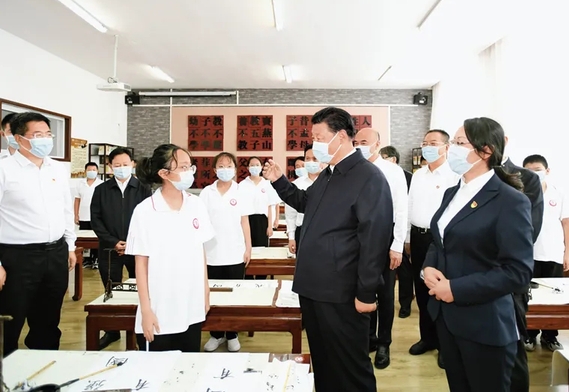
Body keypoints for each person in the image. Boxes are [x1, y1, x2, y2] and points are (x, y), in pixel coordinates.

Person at [262, 107, 393, 392]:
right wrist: (279, 181)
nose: (315, 143)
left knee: (350, 365)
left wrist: (366, 293)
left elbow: (375, 240)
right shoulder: (330, 173)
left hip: (341, 292)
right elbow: (305, 202)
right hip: (314, 287)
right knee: (324, 360)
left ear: (341, 136)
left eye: (319, 137)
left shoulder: (368, 177)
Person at [423, 117, 534, 392]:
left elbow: (517, 271)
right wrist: (428, 267)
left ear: (485, 151)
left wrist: (455, 289)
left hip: (485, 323)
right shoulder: (452, 192)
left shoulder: (509, 200)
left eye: (460, 143)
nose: (452, 149)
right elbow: (440, 240)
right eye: (453, 142)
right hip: (448, 319)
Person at [0, 112, 77, 357]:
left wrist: (70, 245)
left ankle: (45, 366)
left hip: (55, 253)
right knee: (10, 320)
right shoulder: (4, 169)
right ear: (19, 138)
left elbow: (66, 209)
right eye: (37, 135)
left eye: (47, 134)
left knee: (48, 320)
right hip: (17, 257)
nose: (44, 139)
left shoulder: (57, 168)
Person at [125, 144, 214, 352]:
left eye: (190, 166)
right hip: (160, 307)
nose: (189, 172)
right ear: (164, 173)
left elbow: (200, 251)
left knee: (187, 364)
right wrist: (146, 310)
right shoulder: (145, 211)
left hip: (191, 303)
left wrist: (205, 290)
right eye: (183, 167)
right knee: (157, 368)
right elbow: (141, 264)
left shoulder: (196, 205)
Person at [354, 129, 408, 370]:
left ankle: (384, 342)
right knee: (364, 287)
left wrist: (397, 245)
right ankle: (369, 338)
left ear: (377, 144)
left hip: (386, 237)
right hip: (359, 239)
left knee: (385, 294)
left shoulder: (393, 171)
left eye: (364, 142)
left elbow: (401, 209)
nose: (360, 146)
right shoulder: (353, 169)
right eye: (356, 142)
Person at [406, 130, 459, 368]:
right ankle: (427, 338)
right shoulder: (418, 175)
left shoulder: (454, 175)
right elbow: (410, 206)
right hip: (418, 237)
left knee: (440, 291)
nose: (427, 147)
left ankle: (445, 345)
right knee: (421, 289)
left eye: (433, 143)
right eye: (425, 143)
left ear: (446, 147)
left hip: (441, 241)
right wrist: (407, 238)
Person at [91, 147, 152, 350]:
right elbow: (96, 220)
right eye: (117, 165)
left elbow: (149, 220)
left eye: (125, 164)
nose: (121, 168)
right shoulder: (101, 190)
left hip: (138, 250)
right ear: (110, 166)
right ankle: (112, 331)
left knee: (140, 288)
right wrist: (113, 242)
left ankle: (140, 329)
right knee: (111, 290)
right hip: (110, 250)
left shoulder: (143, 188)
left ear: (133, 164)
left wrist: (132, 243)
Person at [200, 152, 252, 353]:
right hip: (211, 253)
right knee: (213, 295)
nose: (225, 169)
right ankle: (216, 334)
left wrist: (248, 248)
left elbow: (244, 221)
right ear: (214, 169)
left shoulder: (241, 191)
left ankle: (232, 334)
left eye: (229, 165)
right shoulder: (207, 192)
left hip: (235, 252)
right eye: (220, 166)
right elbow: (201, 224)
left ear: (235, 169)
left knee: (234, 295)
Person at [502, 141, 544, 392]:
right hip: (469, 281)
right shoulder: (462, 180)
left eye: (463, 142)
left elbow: (530, 230)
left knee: (512, 348)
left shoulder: (527, 178)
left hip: (507, 277)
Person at [523, 154, 569, 351]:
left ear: (547, 171)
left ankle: (550, 336)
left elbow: (567, 223)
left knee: (553, 297)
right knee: (530, 297)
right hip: (529, 255)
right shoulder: (521, 194)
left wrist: (568, 253)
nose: (534, 174)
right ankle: (529, 335)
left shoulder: (558, 194)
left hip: (553, 254)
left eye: (538, 170)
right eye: (529, 171)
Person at [380, 145, 415, 319]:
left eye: (383, 157)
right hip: (386, 230)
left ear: (393, 159)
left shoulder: (409, 177)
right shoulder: (378, 174)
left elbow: (407, 208)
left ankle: (405, 303)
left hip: (403, 229)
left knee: (405, 271)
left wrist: (405, 236)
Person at [286, 146, 321, 254]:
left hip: (323, 232)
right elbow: (290, 214)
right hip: (302, 231)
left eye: (315, 159)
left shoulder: (330, 182)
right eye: (308, 159)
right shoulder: (296, 184)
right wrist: (291, 237)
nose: (311, 162)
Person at [74, 162, 103, 269]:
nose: (91, 172)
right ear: (85, 171)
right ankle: (86, 260)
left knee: (96, 239)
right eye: (89, 170)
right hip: (83, 216)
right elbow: (77, 200)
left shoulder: (101, 184)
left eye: (94, 170)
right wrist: (76, 215)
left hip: (97, 217)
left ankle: (96, 259)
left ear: (97, 171)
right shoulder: (80, 184)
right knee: (84, 240)